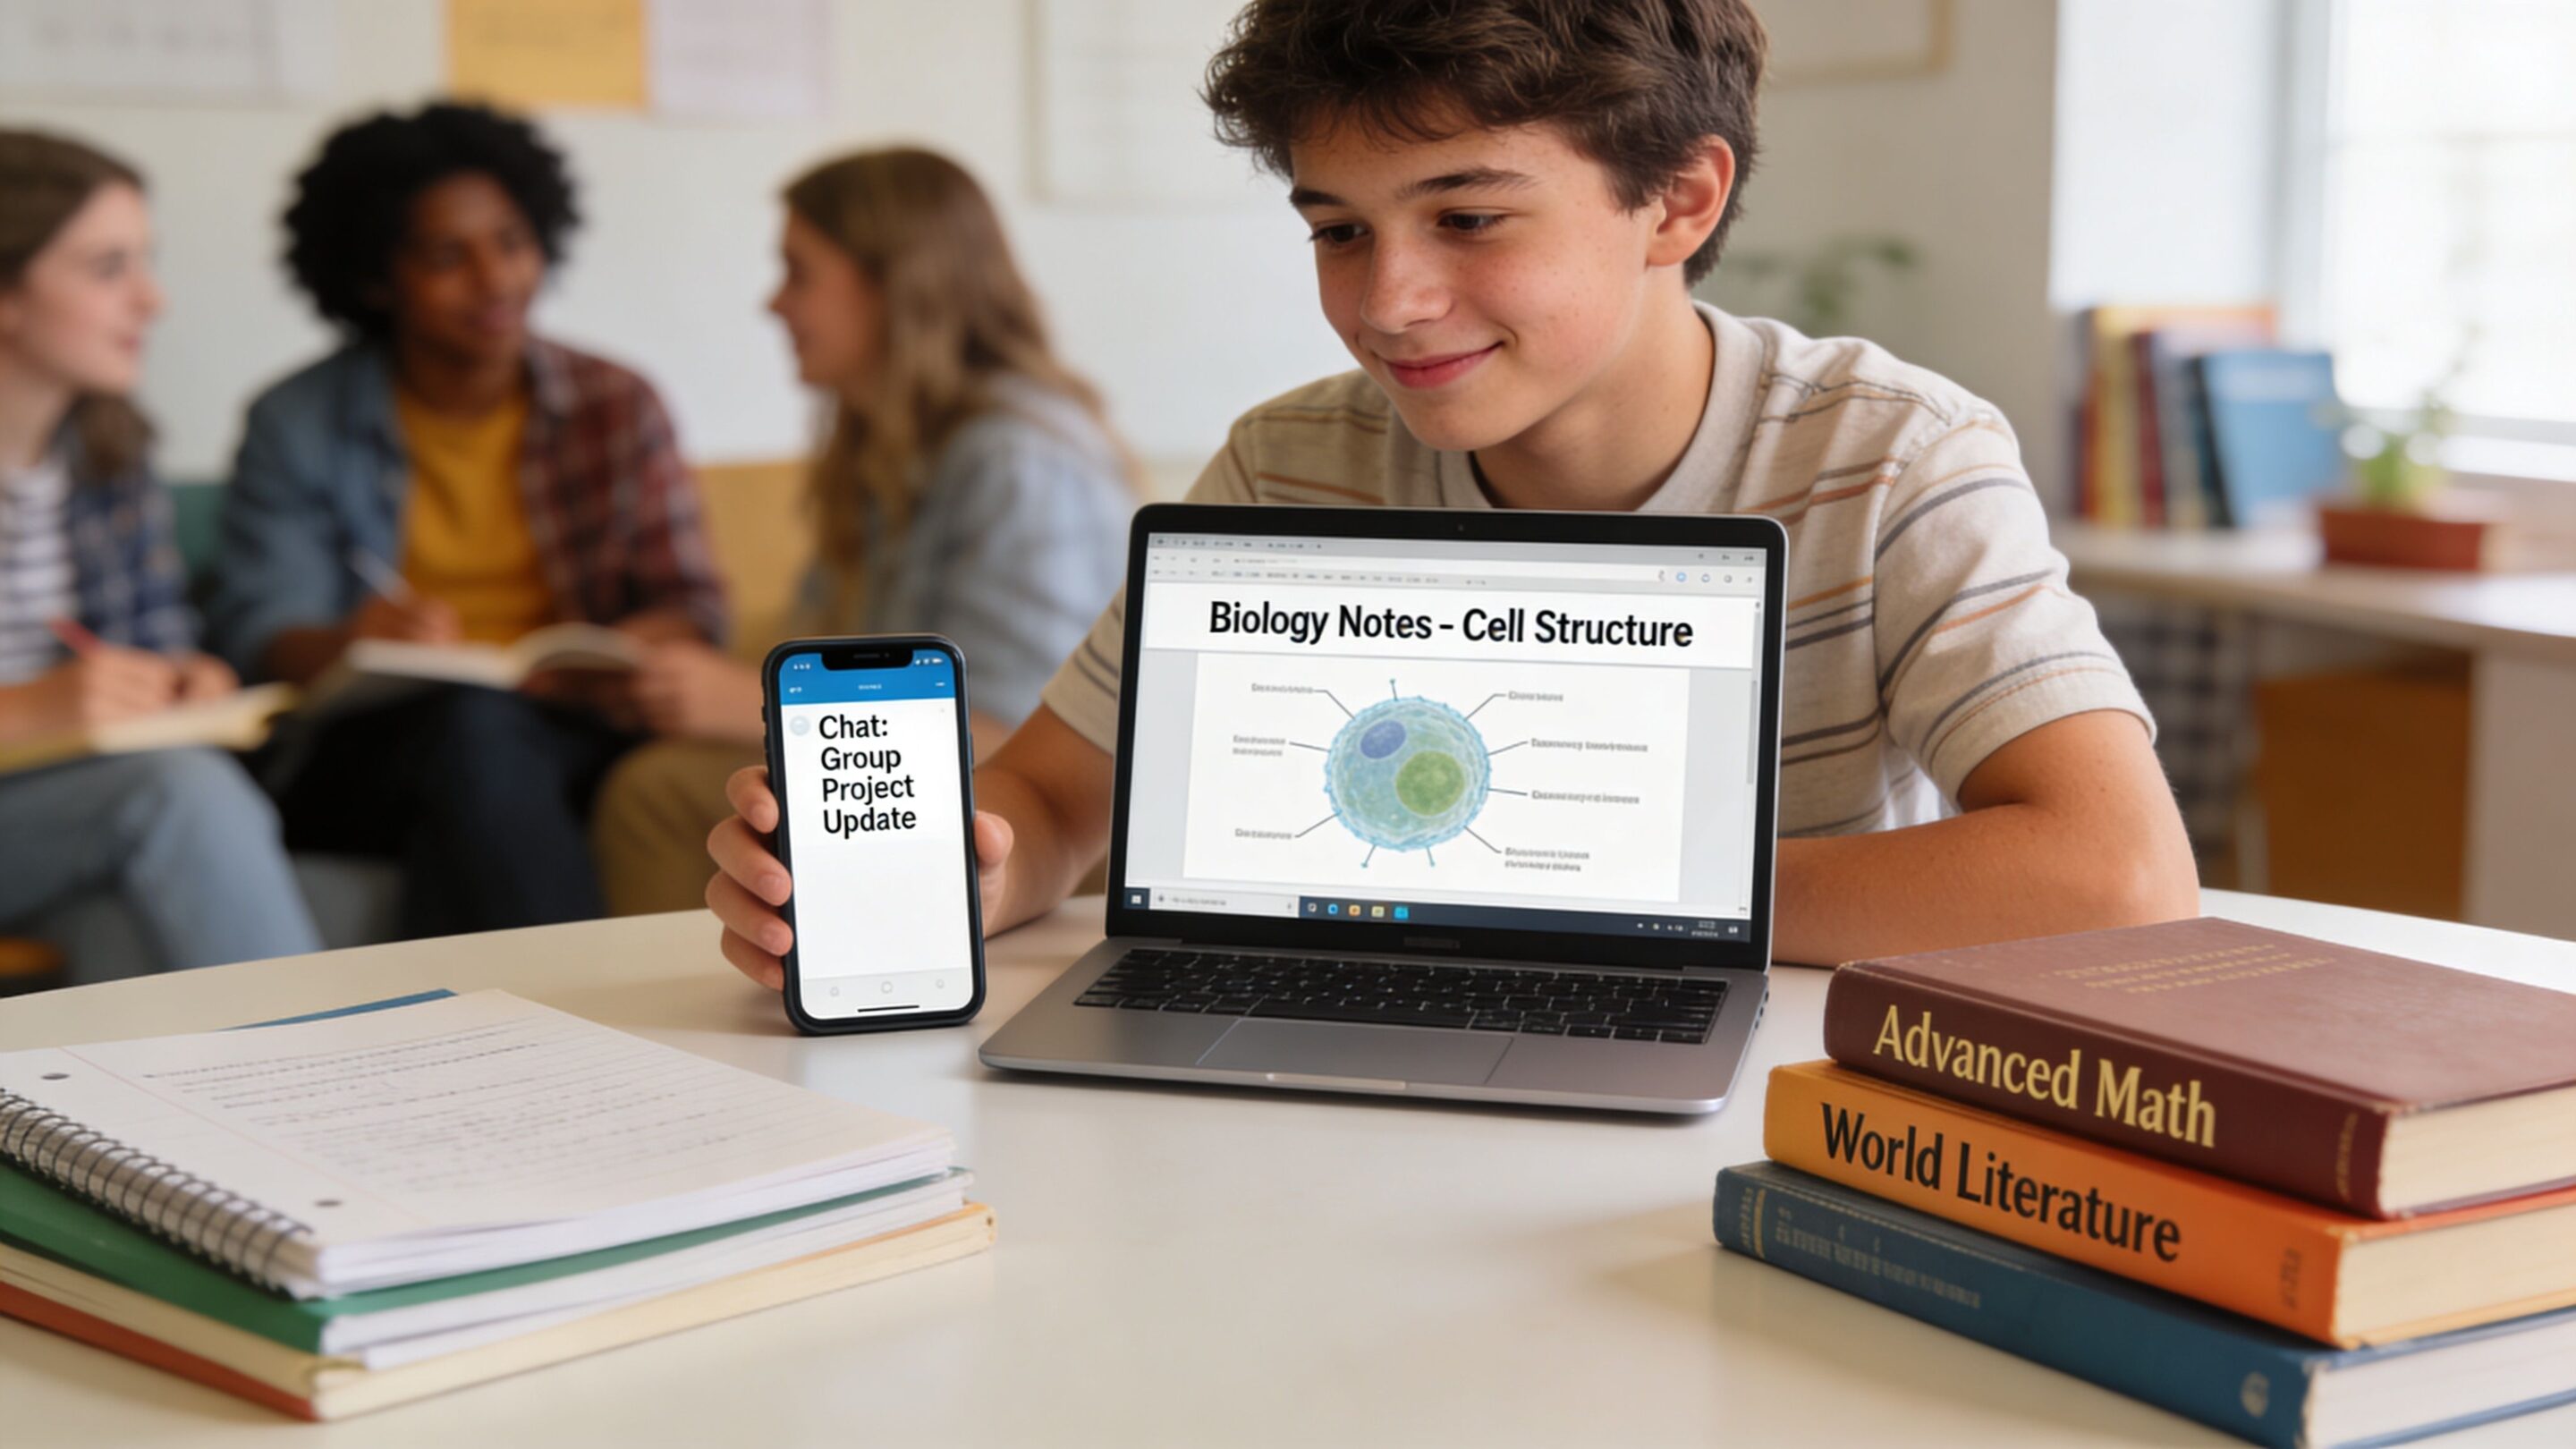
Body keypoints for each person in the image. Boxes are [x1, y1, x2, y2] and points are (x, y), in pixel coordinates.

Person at [706, 0, 2199, 985]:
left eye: (1469, 216)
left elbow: (2116, 872)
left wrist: (1582, 889)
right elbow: (1043, 799)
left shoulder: (1888, 461)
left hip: (1759, 1105)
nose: (1391, 301)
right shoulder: (1296, 464)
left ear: (1679, 200)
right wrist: (953, 876)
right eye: (1339, 229)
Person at [207, 101, 725, 938]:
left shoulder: (615, 405)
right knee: (474, 731)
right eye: (450, 256)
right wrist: (356, 641)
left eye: (512, 242)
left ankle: (474, 1037)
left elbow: (692, 605)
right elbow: (258, 629)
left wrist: (616, 656)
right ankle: (575, 1025)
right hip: (369, 746)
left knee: (488, 758)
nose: (496, 280)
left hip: (572, 725)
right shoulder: (295, 420)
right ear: (377, 278)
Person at [589, 148, 1132, 916]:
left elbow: (1019, 746)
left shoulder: (1017, 461)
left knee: (652, 793)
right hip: (909, 776)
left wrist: (752, 702)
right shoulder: (886, 445)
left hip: (1038, 838)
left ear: (894, 286)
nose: (773, 305)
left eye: (798, 273)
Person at [0, 130, 320, 973]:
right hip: (92, 793)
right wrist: (29, 709)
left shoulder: (110, 456)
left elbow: (148, 637)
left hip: (65, 804)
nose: (152, 301)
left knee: (125, 913)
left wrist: (178, 684)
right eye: (109, 269)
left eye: (146, 263)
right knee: (178, 796)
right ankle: (324, 1073)